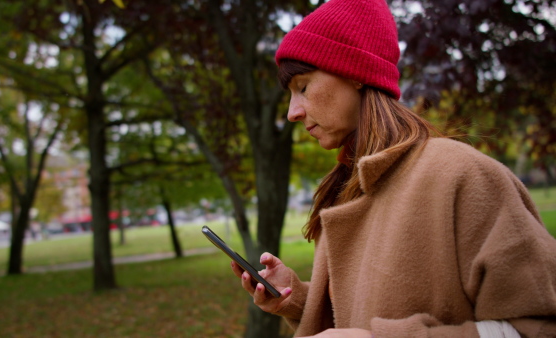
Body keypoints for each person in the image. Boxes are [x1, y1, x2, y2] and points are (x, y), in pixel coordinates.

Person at [230, 0, 556, 337]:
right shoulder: (346, 187)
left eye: (303, 87)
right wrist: (297, 298)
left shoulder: (462, 175)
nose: (292, 112)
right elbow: (366, 310)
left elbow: (536, 327)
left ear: (355, 74)